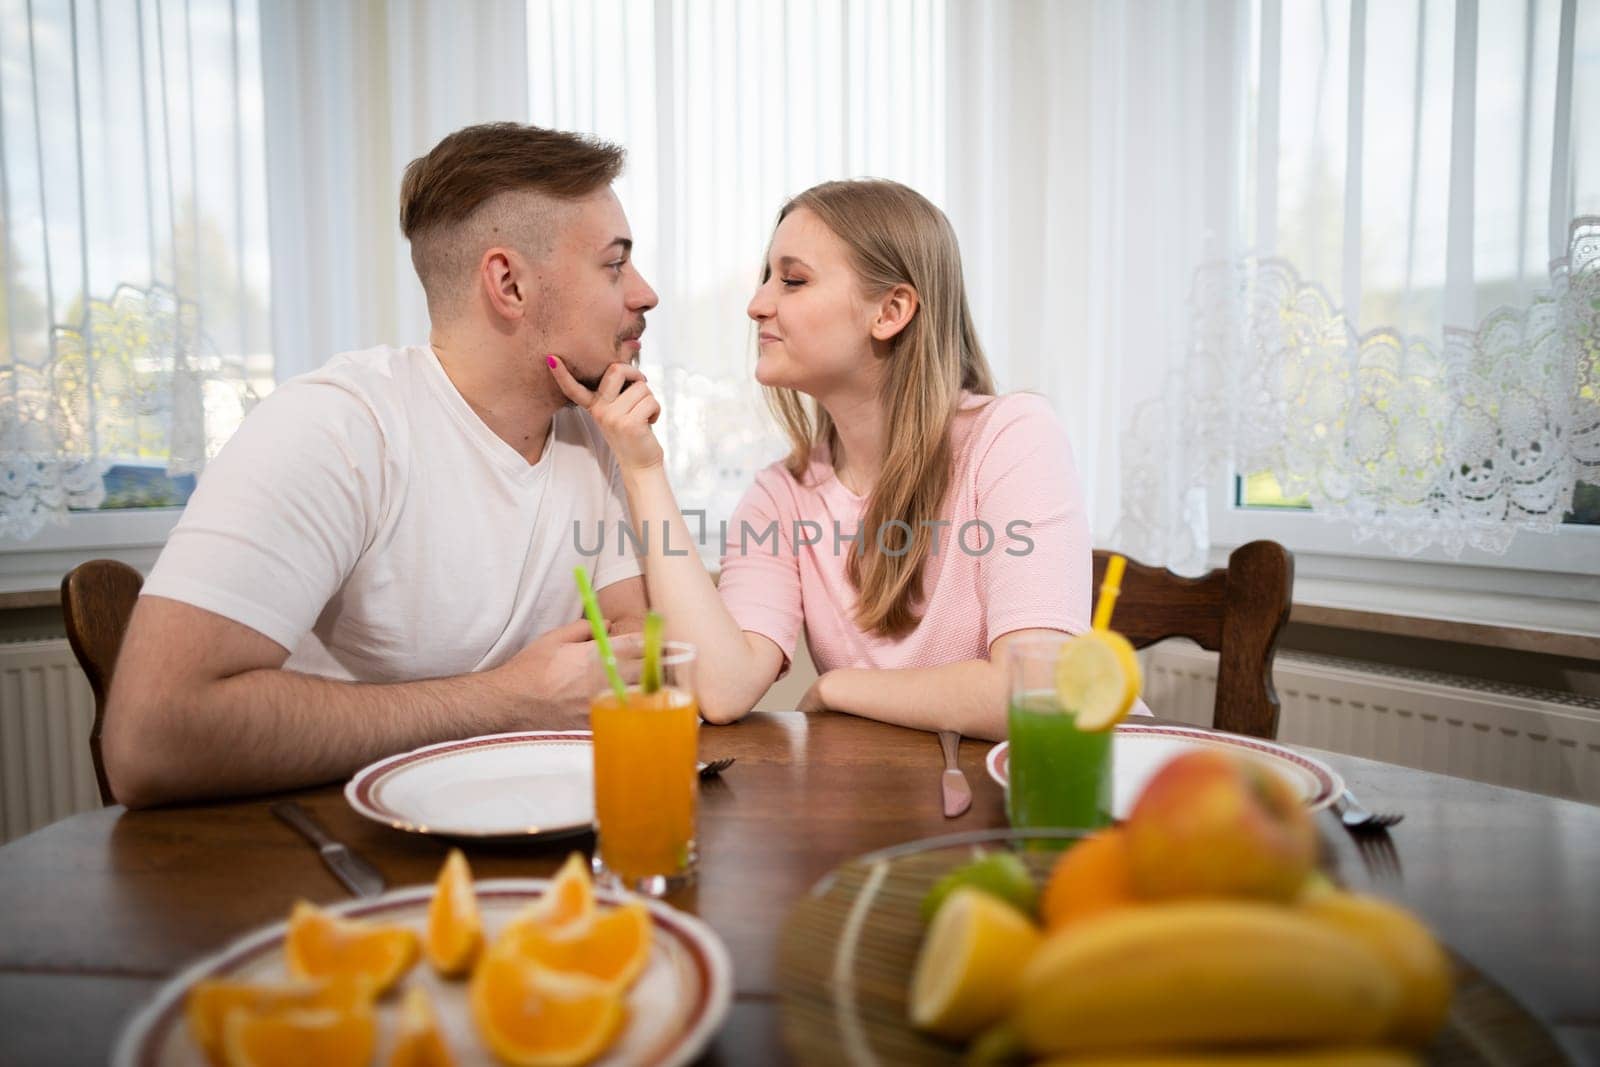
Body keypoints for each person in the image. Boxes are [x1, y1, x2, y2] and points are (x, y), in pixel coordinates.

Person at [103, 123, 657, 807]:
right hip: (326, 866)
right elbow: (150, 736)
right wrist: (507, 701)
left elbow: (633, 643)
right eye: (614, 264)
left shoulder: (592, 436)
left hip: (529, 837)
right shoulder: (335, 428)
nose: (645, 292)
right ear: (509, 283)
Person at [548, 178, 1092, 740]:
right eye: (766, 279)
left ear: (891, 311)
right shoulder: (780, 496)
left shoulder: (1012, 437)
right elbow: (722, 687)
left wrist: (839, 687)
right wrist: (642, 469)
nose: (757, 305)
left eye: (793, 280)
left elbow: (1038, 695)